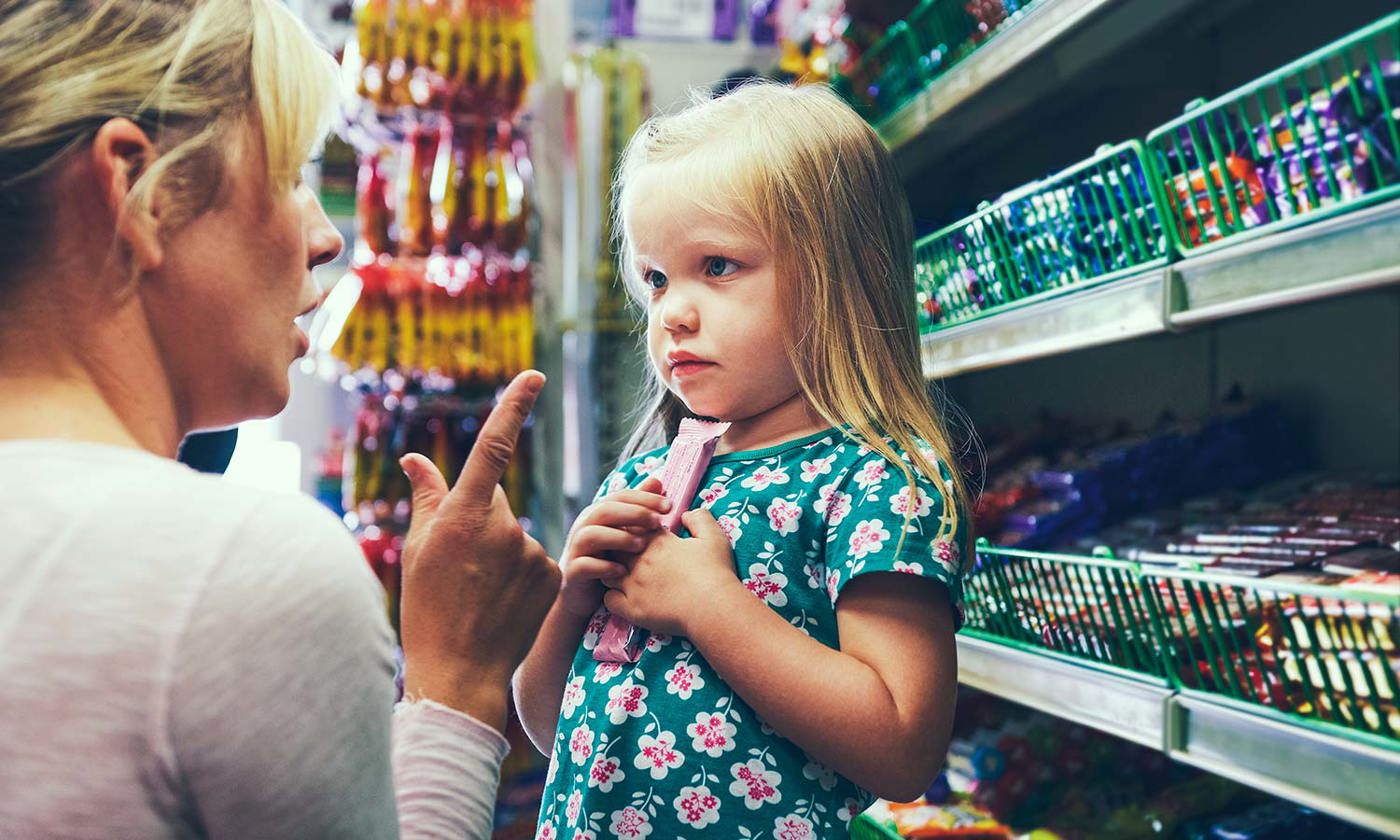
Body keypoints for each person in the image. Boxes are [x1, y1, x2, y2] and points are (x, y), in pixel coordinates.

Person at [0, 1, 558, 837]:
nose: (326, 236)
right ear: (137, 190)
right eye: (292, 173)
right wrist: (459, 685)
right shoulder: (237, 576)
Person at [515, 81, 973, 839]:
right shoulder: (645, 479)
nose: (672, 311)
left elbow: (902, 747)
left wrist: (709, 606)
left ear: (840, 275)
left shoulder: (877, 483)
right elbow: (549, 728)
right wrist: (570, 600)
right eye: (656, 278)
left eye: (718, 266)